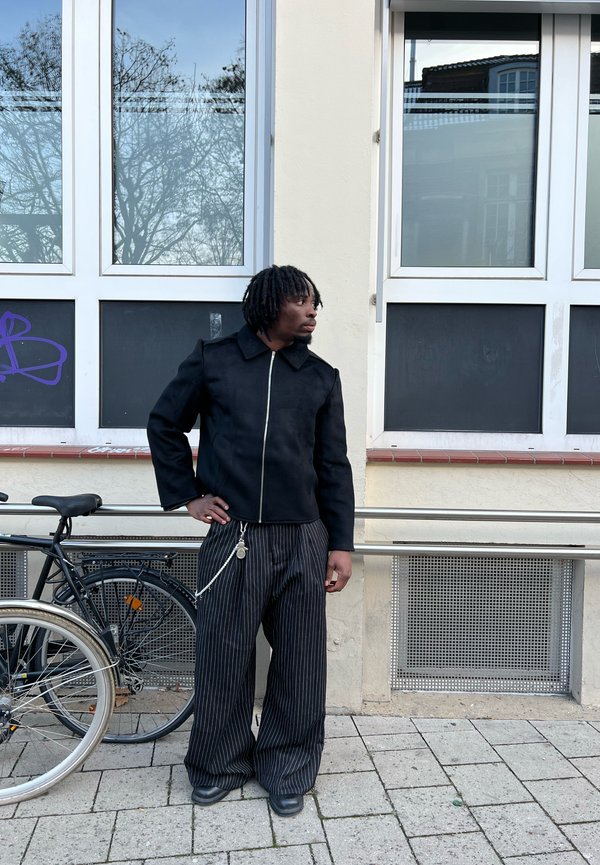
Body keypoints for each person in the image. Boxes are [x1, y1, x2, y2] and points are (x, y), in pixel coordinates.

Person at [147, 264, 354, 818]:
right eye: (302, 301)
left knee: (302, 660)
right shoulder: (215, 361)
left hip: (303, 538)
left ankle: (287, 767)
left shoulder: (319, 377)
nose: (313, 311)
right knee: (224, 655)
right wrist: (187, 494)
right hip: (232, 538)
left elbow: (333, 464)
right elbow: (165, 423)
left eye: (316, 303)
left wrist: (341, 542)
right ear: (270, 304)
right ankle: (219, 764)